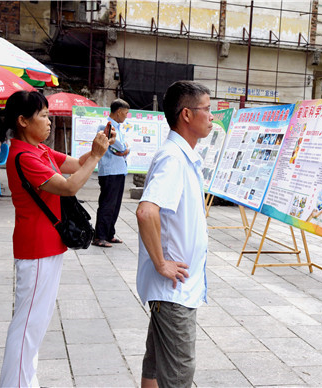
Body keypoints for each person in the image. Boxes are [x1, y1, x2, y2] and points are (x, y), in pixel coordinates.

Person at [0, 91, 113, 387]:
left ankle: (25, 380)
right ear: (22, 121)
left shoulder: (39, 151)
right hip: (36, 248)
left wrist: (98, 148)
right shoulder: (24, 156)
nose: (48, 121)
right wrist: (95, 156)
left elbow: (76, 163)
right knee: (27, 325)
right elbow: (70, 186)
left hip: (47, 246)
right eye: (43, 116)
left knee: (36, 322)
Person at [136, 81, 213, 388]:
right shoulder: (173, 158)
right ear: (186, 115)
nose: (211, 116)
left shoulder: (183, 156)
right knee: (179, 374)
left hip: (176, 288)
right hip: (174, 289)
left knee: (154, 365)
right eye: (206, 109)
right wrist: (161, 263)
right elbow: (146, 211)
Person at [92, 98, 130, 247]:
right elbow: (119, 147)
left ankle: (109, 234)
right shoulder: (105, 126)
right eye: (125, 113)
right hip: (110, 171)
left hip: (119, 169)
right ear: (118, 112)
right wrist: (123, 148)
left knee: (115, 205)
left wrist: (123, 148)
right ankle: (99, 236)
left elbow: (125, 147)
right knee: (107, 204)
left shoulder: (118, 128)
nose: (126, 116)